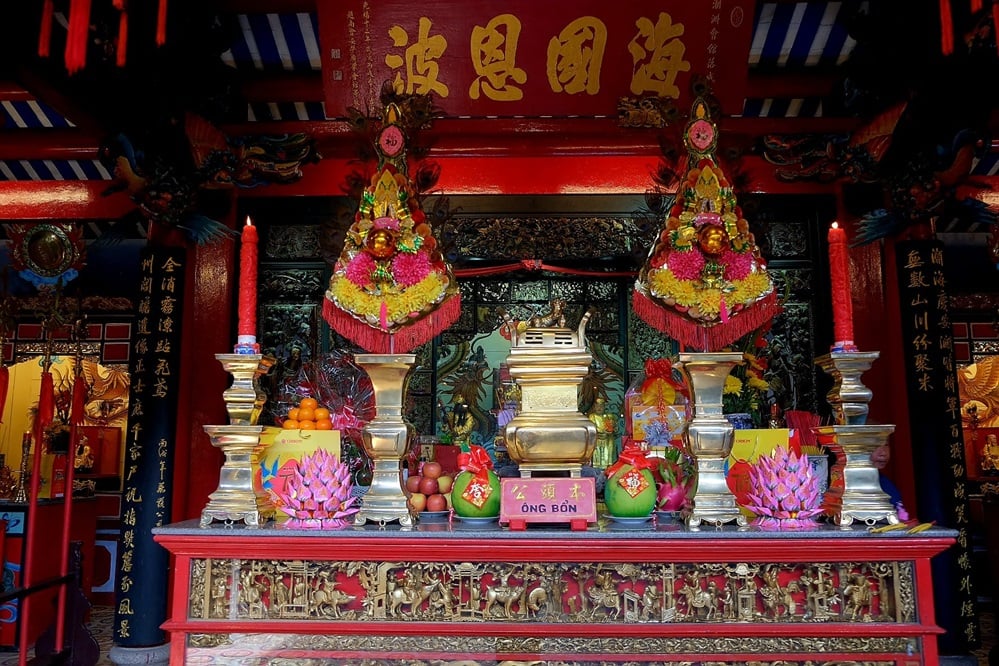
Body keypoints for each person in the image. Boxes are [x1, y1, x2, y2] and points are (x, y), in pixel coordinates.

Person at [871, 444, 908, 521]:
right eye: (876, 446)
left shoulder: (886, 484)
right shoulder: (842, 483)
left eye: (886, 445)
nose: (884, 453)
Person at [587, 396, 618, 470]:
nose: (599, 407)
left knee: (608, 459)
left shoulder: (609, 416)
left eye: (601, 405)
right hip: (597, 441)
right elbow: (591, 429)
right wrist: (601, 432)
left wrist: (612, 428)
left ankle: (609, 469)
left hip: (608, 441)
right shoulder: (592, 416)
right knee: (597, 459)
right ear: (594, 407)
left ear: (604, 406)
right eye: (597, 405)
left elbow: (616, 429)